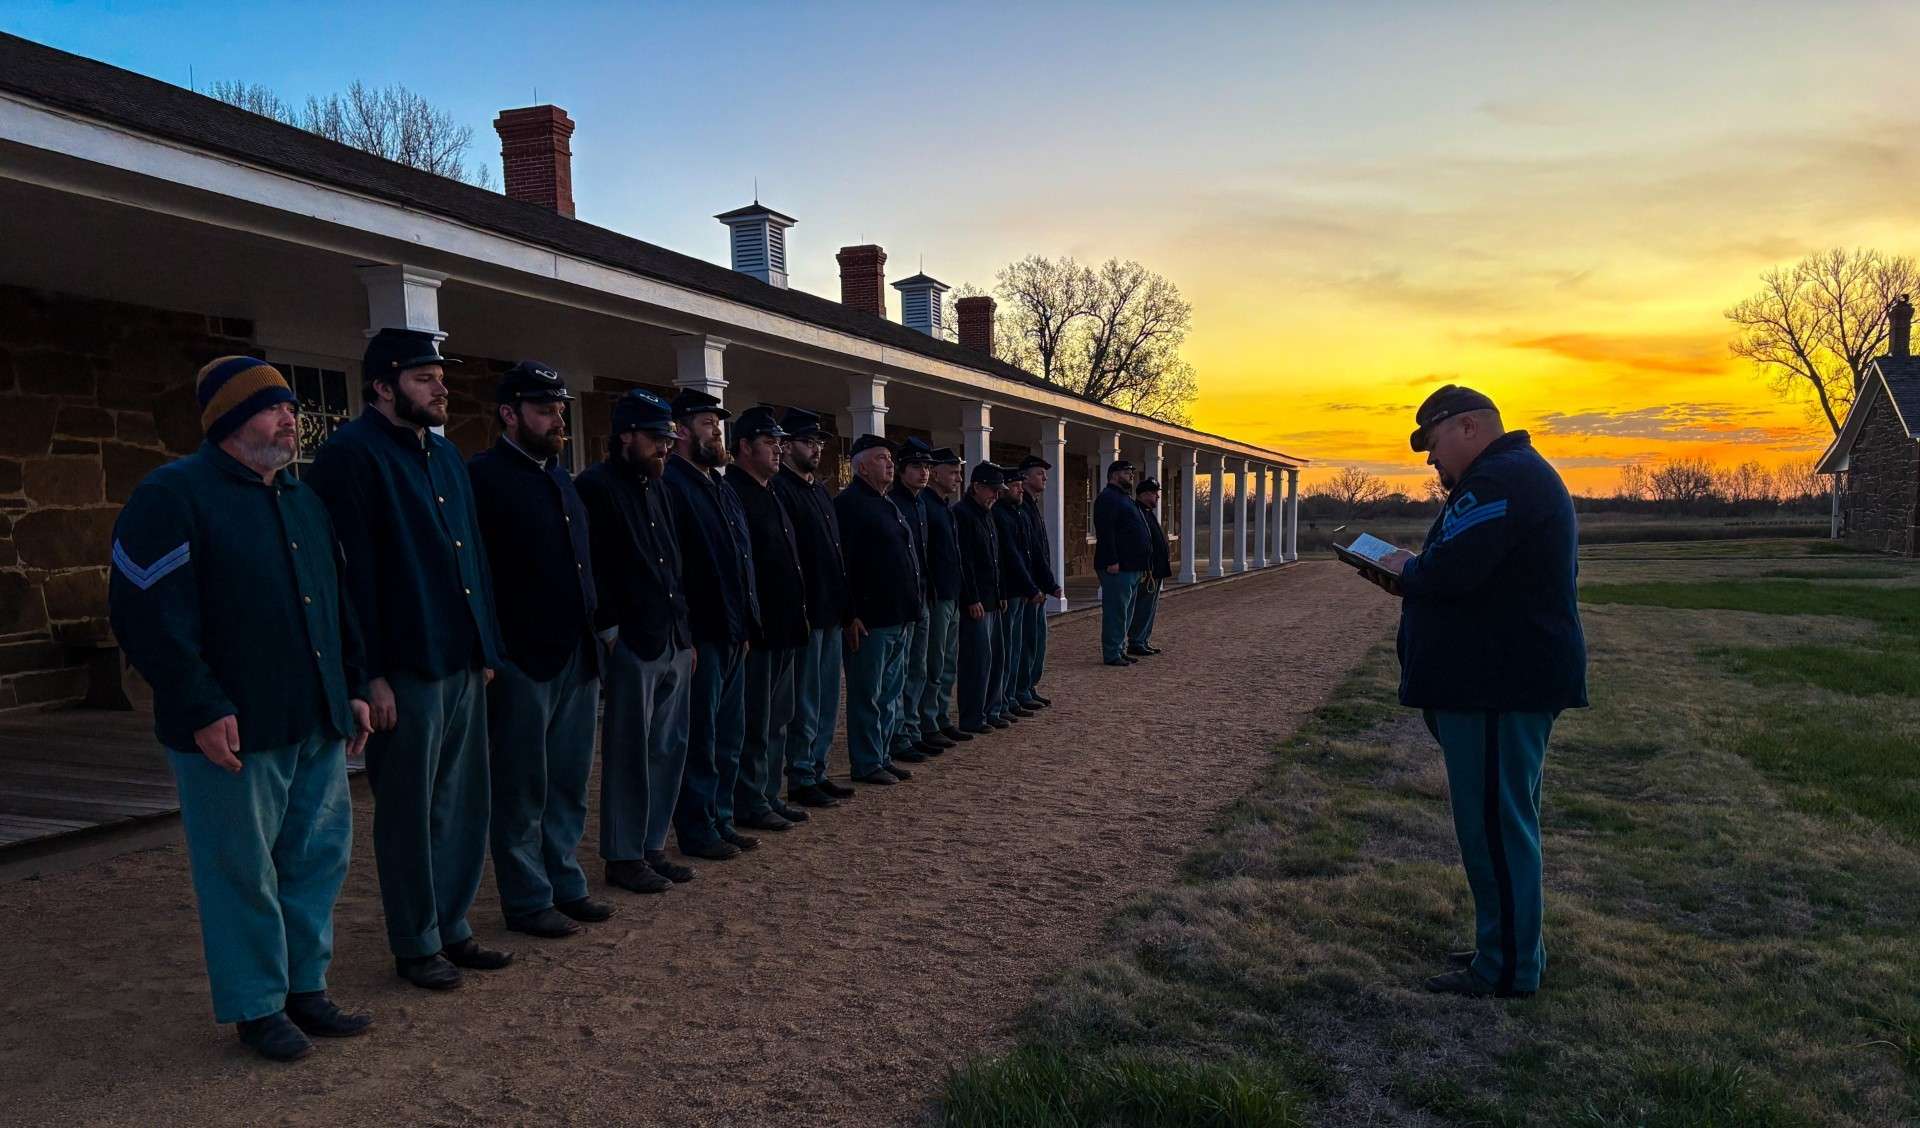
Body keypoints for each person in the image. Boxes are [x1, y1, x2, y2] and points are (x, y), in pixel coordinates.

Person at [109, 357, 373, 1061]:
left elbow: (334, 602)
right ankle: (258, 1007)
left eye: (291, 406)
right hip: (230, 730)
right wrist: (199, 704)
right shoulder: (172, 495)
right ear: (227, 419)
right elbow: (146, 615)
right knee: (242, 871)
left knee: (316, 860)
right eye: (272, 407)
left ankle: (304, 988)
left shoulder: (300, 499)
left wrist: (351, 684)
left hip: (313, 719)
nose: (290, 418)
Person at [1366, 385, 1587, 999]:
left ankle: (1509, 966)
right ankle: (1507, 945)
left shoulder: (1500, 481)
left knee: (1495, 826)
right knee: (1499, 822)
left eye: (1433, 445)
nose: (1431, 460)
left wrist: (1406, 569)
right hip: (1498, 679)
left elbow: (1448, 573)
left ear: (1467, 428)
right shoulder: (1506, 477)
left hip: (1498, 682)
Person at [306, 328, 511, 992]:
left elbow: (474, 554)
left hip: (460, 659)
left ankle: (453, 927)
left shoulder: (447, 458)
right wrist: (369, 672)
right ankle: (416, 940)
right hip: (405, 668)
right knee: (409, 813)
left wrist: (485, 646)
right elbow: (349, 575)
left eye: (440, 375)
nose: (441, 386)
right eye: (425, 377)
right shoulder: (349, 456)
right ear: (383, 386)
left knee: (462, 804)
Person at [466, 361, 612, 939]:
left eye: (560, 411)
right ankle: (526, 898)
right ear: (509, 413)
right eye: (545, 411)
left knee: (570, 782)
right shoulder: (484, 478)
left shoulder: (560, 479)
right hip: (523, 658)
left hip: (577, 653)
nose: (558, 421)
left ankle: (565, 882)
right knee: (523, 786)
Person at [575, 390, 696, 895]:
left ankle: (651, 846)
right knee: (628, 751)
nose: (665, 447)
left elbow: (674, 560)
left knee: (668, 749)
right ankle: (623, 855)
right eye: (656, 437)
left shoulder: (658, 487)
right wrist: (609, 630)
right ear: (626, 436)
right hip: (629, 641)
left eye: (669, 438)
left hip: (670, 635)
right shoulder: (595, 487)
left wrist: (685, 635)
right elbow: (592, 563)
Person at [661, 390, 762, 859]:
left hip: (735, 628)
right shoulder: (673, 485)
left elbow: (741, 561)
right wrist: (686, 634)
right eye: (706, 423)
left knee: (728, 735)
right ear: (680, 430)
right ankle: (697, 827)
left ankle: (720, 818)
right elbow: (676, 568)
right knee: (700, 738)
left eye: (717, 423)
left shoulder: (720, 487)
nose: (716, 430)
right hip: (703, 632)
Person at [725, 406, 813, 832]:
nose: (778, 449)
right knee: (755, 722)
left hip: (787, 625)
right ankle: (750, 800)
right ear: (744, 447)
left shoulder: (773, 492)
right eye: (768, 443)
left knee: (779, 718)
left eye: (780, 442)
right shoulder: (734, 493)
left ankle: (770, 793)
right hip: (758, 630)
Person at [770, 408, 856, 808]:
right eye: (809, 442)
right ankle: (801, 773)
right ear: (787, 446)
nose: (816, 449)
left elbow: (836, 555)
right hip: (805, 612)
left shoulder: (821, 490)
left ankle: (817, 768)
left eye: (820, 443)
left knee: (825, 698)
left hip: (831, 610)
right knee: (803, 701)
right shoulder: (781, 490)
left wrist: (847, 607)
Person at [833, 434, 924, 785]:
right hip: (870, 618)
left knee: (889, 693)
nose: (890, 463)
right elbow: (844, 563)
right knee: (867, 694)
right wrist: (850, 612)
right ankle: (867, 761)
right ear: (862, 465)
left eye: (891, 458)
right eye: (883, 458)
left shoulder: (888, 503)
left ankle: (883, 754)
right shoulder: (850, 505)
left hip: (898, 613)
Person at [889, 437, 939, 763]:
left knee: (919, 668)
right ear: (902, 470)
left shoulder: (922, 504)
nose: (924, 473)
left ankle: (912, 728)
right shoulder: (894, 502)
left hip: (922, 595)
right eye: (918, 466)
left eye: (927, 467)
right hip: (901, 599)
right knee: (901, 671)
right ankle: (898, 735)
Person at [918, 447, 971, 747]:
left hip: (952, 594)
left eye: (959, 472)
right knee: (933, 663)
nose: (958, 478)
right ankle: (927, 720)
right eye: (952, 471)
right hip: (936, 596)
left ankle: (941, 716)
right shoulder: (924, 505)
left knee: (948, 662)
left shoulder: (945, 507)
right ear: (935, 472)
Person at [951, 462, 1005, 736]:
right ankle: (973, 715)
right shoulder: (963, 514)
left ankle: (989, 709)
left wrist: (1000, 592)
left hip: (991, 597)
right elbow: (966, 561)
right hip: (976, 600)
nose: (995, 496)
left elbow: (995, 558)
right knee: (976, 660)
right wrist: (972, 597)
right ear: (976, 487)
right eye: (991, 490)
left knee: (995, 658)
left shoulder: (986, 514)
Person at [1092, 458, 1152, 667]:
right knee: (1116, 612)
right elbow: (1105, 531)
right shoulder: (1108, 498)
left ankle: (1120, 649)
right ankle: (1111, 653)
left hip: (1132, 566)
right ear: (1115, 475)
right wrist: (1111, 560)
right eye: (1127, 472)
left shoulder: (1124, 498)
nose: (1131, 476)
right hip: (1117, 566)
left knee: (1126, 611)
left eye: (1131, 472)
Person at [989, 476, 1039, 726]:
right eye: (1015, 485)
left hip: (1021, 590)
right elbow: (1010, 555)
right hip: (1010, 590)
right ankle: (1000, 701)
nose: (1020, 489)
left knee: (1017, 648)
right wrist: (1031, 587)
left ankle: (1010, 697)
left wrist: (1045, 583)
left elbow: (1033, 552)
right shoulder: (1000, 515)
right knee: (1006, 650)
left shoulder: (1018, 512)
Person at [1014, 455, 1062, 709]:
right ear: (1025, 477)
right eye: (1039, 474)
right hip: (1027, 589)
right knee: (1026, 643)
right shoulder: (1021, 507)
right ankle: (1020, 688)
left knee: (1036, 641)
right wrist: (1032, 586)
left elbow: (1039, 551)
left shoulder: (1032, 506)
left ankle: (1029, 686)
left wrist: (1050, 583)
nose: (1044, 478)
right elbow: (1022, 553)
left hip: (1037, 587)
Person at [1128, 477, 1173, 657]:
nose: (1157, 497)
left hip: (1156, 569)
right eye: (1155, 494)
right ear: (1145, 494)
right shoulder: (1138, 512)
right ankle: (1136, 641)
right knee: (1143, 607)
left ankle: (1143, 640)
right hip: (1149, 570)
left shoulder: (1147, 513)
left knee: (1150, 608)